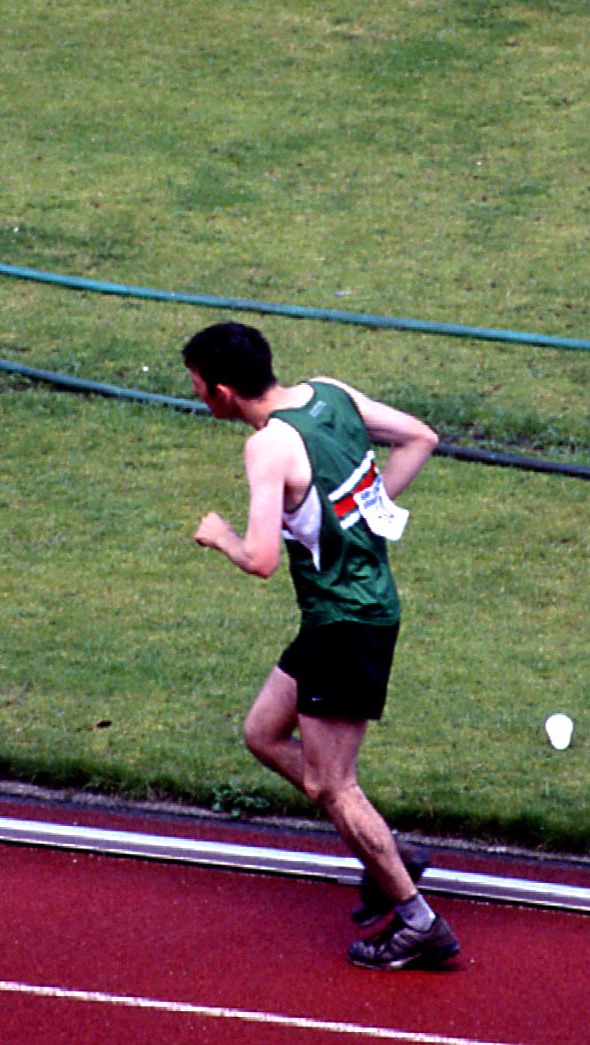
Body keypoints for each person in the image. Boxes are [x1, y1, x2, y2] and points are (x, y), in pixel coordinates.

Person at [182, 321, 459, 970]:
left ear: (222, 392)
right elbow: (420, 436)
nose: (195, 395)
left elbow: (259, 559)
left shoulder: (267, 447)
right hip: (344, 613)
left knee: (331, 784)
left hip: (345, 622)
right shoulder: (328, 391)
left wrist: (219, 535)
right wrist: (359, 511)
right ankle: (388, 851)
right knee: (262, 732)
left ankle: (418, 920)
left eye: (196, 386)